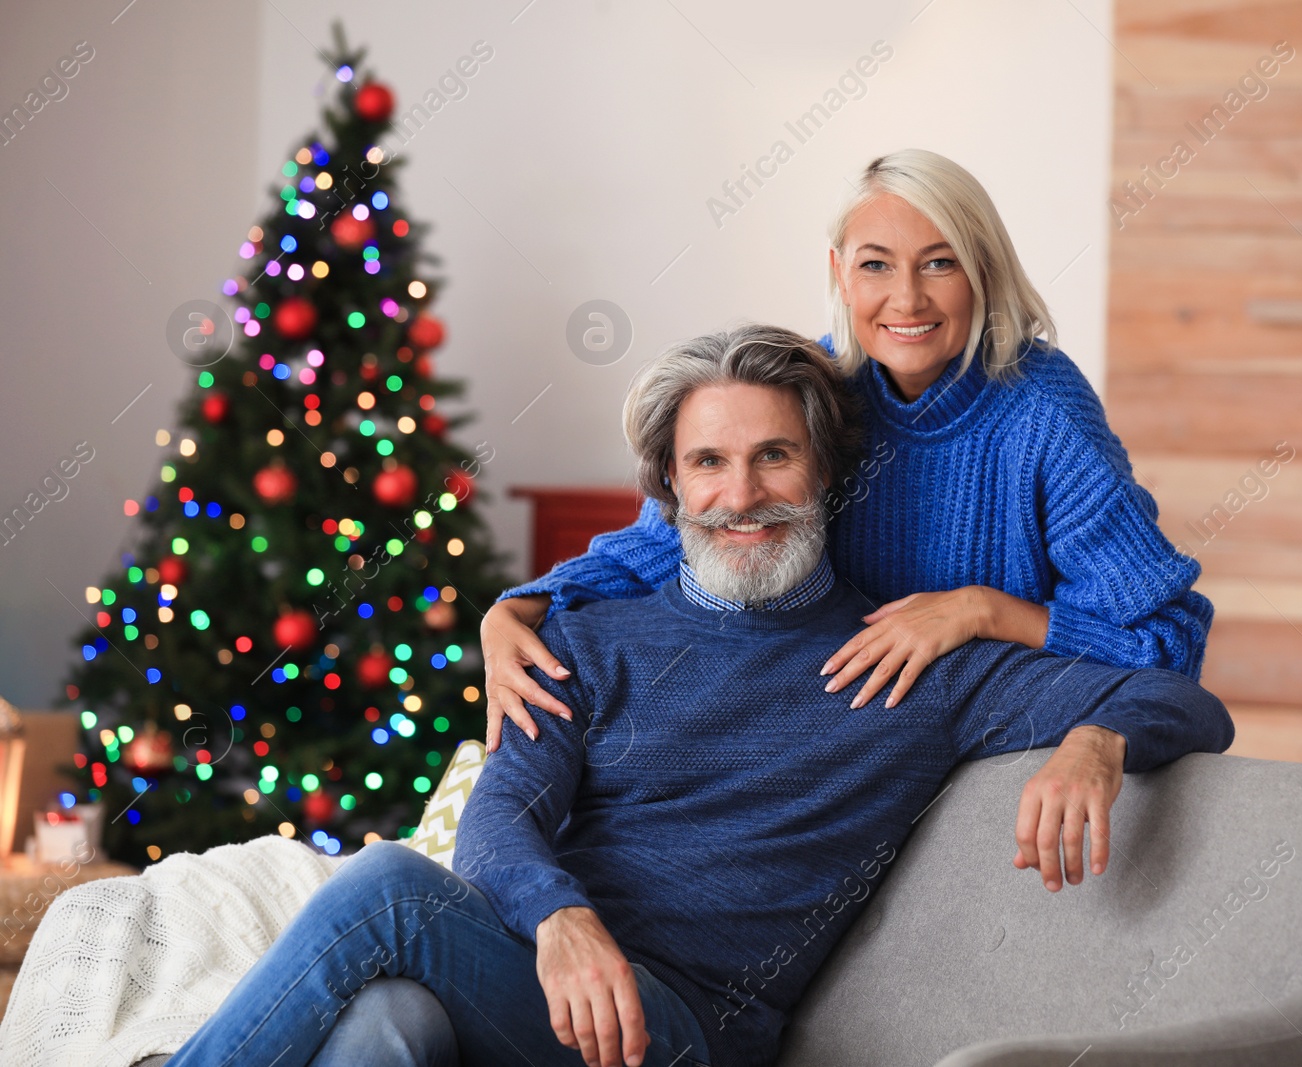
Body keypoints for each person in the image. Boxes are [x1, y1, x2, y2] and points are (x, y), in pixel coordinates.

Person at [163, 326, 1232, 1067]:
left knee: (387, 886)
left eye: (774, 455)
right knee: (386, 1027)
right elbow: (500, 814)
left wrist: (1096, 738)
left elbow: (1186, 701)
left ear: (824, 471)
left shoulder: (914, 661)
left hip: (677, 1029)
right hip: (539, 982)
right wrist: (564, 917)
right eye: (709, 462)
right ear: (670, 488)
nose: (742, 493)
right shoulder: (586, 633)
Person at [480, 148, 1213, 753]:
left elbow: (1166, 641)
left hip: (993, 749)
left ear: (983, 270)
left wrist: (983, 610)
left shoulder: (1044, 413)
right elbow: (671, 535)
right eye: (875, 265)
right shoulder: (815, 383)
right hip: (837, 738)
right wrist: (514, 611)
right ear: (839, 273)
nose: (906, 300)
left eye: (939, 263)